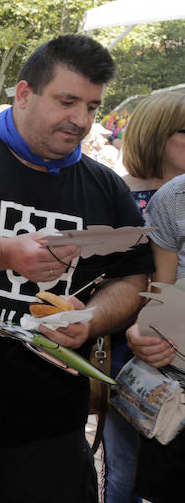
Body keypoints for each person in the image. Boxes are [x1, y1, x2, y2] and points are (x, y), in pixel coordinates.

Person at [0, 34, 153, 503]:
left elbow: (133, 278)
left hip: (51, 428)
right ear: (24, 93)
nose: (81, 120)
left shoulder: (104, 187)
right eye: (67, 102)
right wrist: (4, 253)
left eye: (91, 107)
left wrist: (91, 317)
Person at [104, 91, 185, 503]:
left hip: (162, 341)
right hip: (138, 346)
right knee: (128, 467)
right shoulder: (121, 196)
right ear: (157, 134)